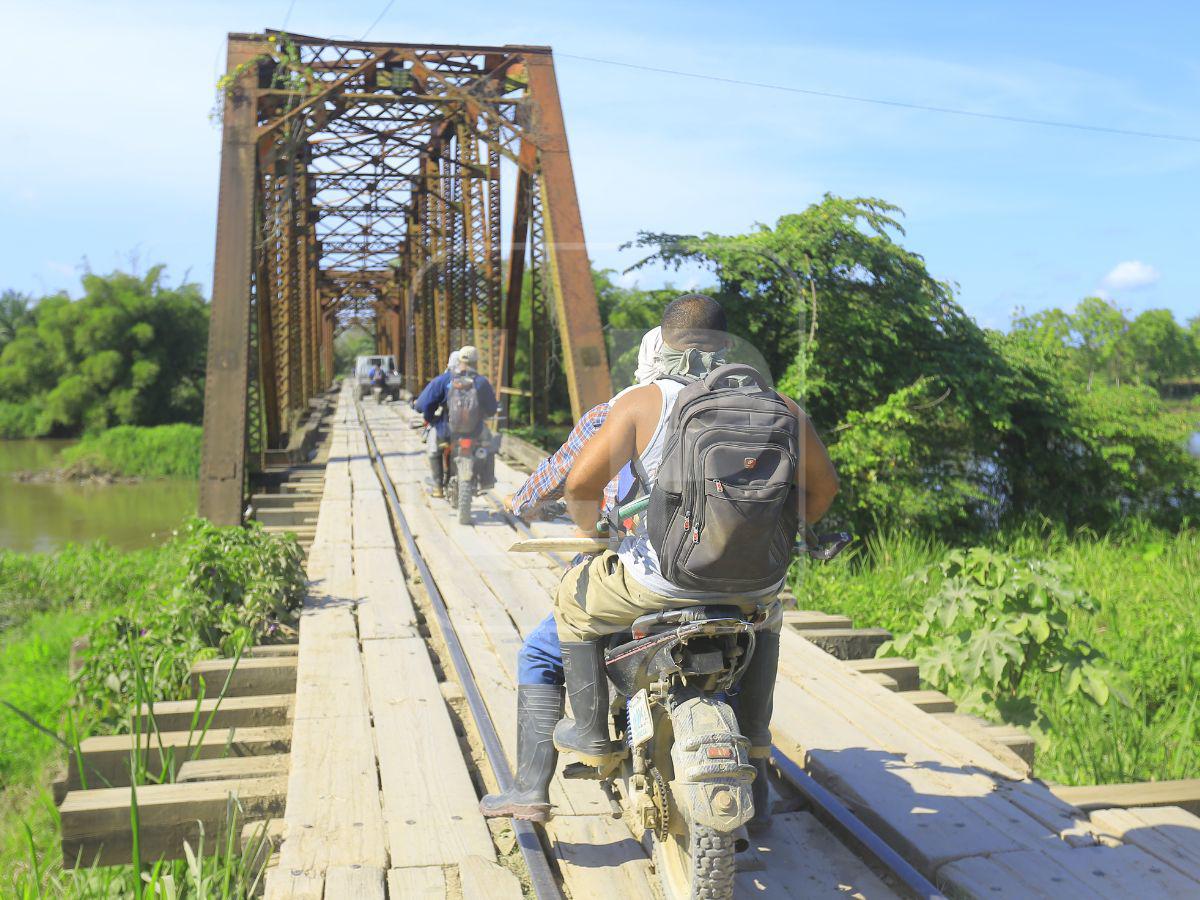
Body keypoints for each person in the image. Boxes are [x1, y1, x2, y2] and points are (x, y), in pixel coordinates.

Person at [552, 294, 839, 832]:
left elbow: (580, 485)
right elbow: (823, 490)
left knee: (572, 600)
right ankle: (753, 747)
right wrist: (779, 532)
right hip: (755, 585)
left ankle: (592, 736)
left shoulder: (643, 401)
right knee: (769, 617)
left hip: (660, 581)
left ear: (663, 343)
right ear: (729, 347)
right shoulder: (778, 404)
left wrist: (595, 532)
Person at [479, 329, 664, 824]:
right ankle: (754, 772)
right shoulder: (735, 411)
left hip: (637, 577)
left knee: (542, 650)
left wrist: (521, 501)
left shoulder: (615, 414)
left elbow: (560, 476)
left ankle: (531, 788)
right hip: (729, 577)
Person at [414, 346, 498, 498]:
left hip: (447, 431)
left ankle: (438, 487)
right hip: (475, 431)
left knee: (433, 448)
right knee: (489, 445)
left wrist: (429, 418)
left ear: (459, 361)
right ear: (476, 362)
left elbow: (423, 405)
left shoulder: (445, 380)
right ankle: (486, 481)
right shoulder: (482, 382)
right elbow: (492, 409)